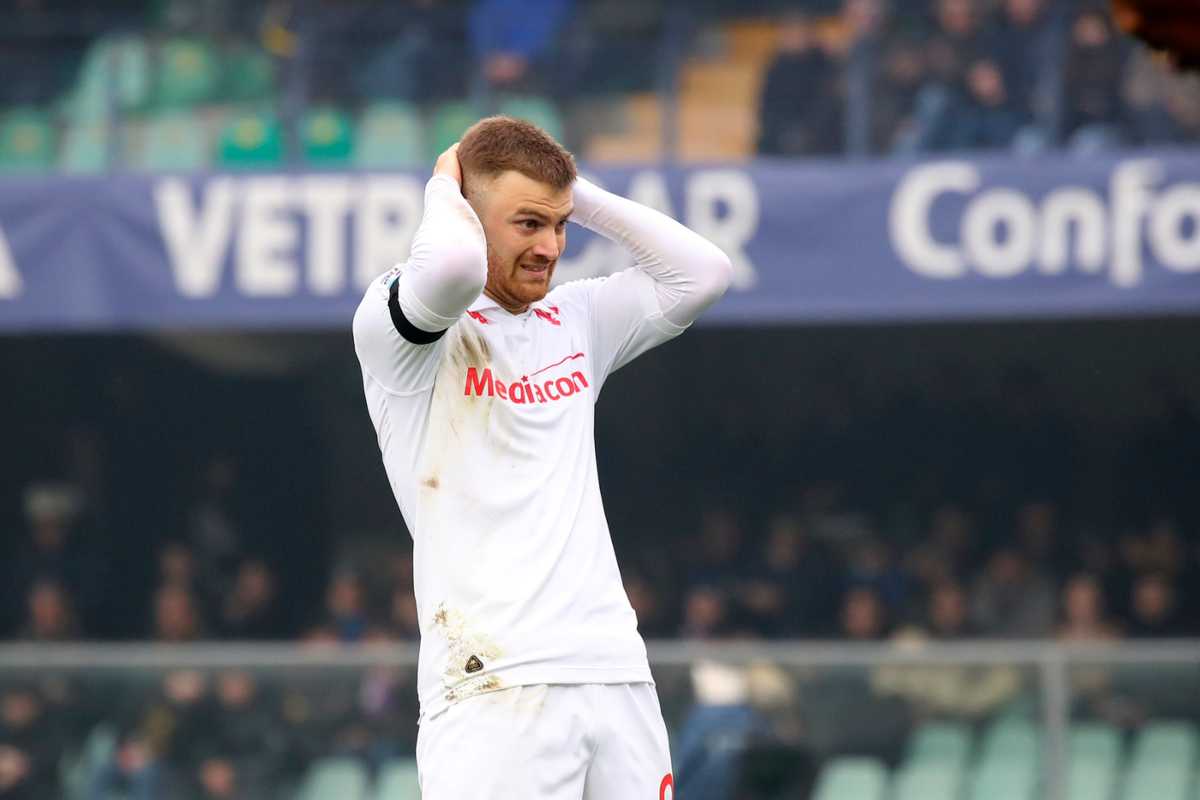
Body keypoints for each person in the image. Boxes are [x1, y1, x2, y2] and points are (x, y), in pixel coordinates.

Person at [352, 115, 731, 797]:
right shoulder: (398, 330)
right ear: (468, 215)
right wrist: (448, 183)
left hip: (615, 671)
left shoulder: (576, 320)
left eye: (558, 226)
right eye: (528, 224)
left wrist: (571, 193)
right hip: (493, 684)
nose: (551, 246)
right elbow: (454, 266)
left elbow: (703, 273)